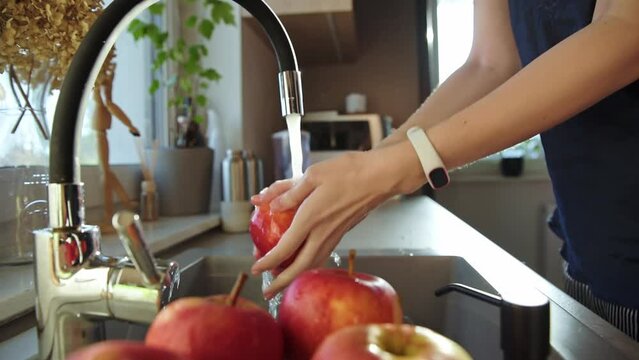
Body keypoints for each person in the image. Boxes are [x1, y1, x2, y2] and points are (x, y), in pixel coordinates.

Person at [251, 0, 639, 340]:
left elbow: (625, 32)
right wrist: (373, 166)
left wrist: (395, 167)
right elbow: (490, 63)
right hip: (590, 253)